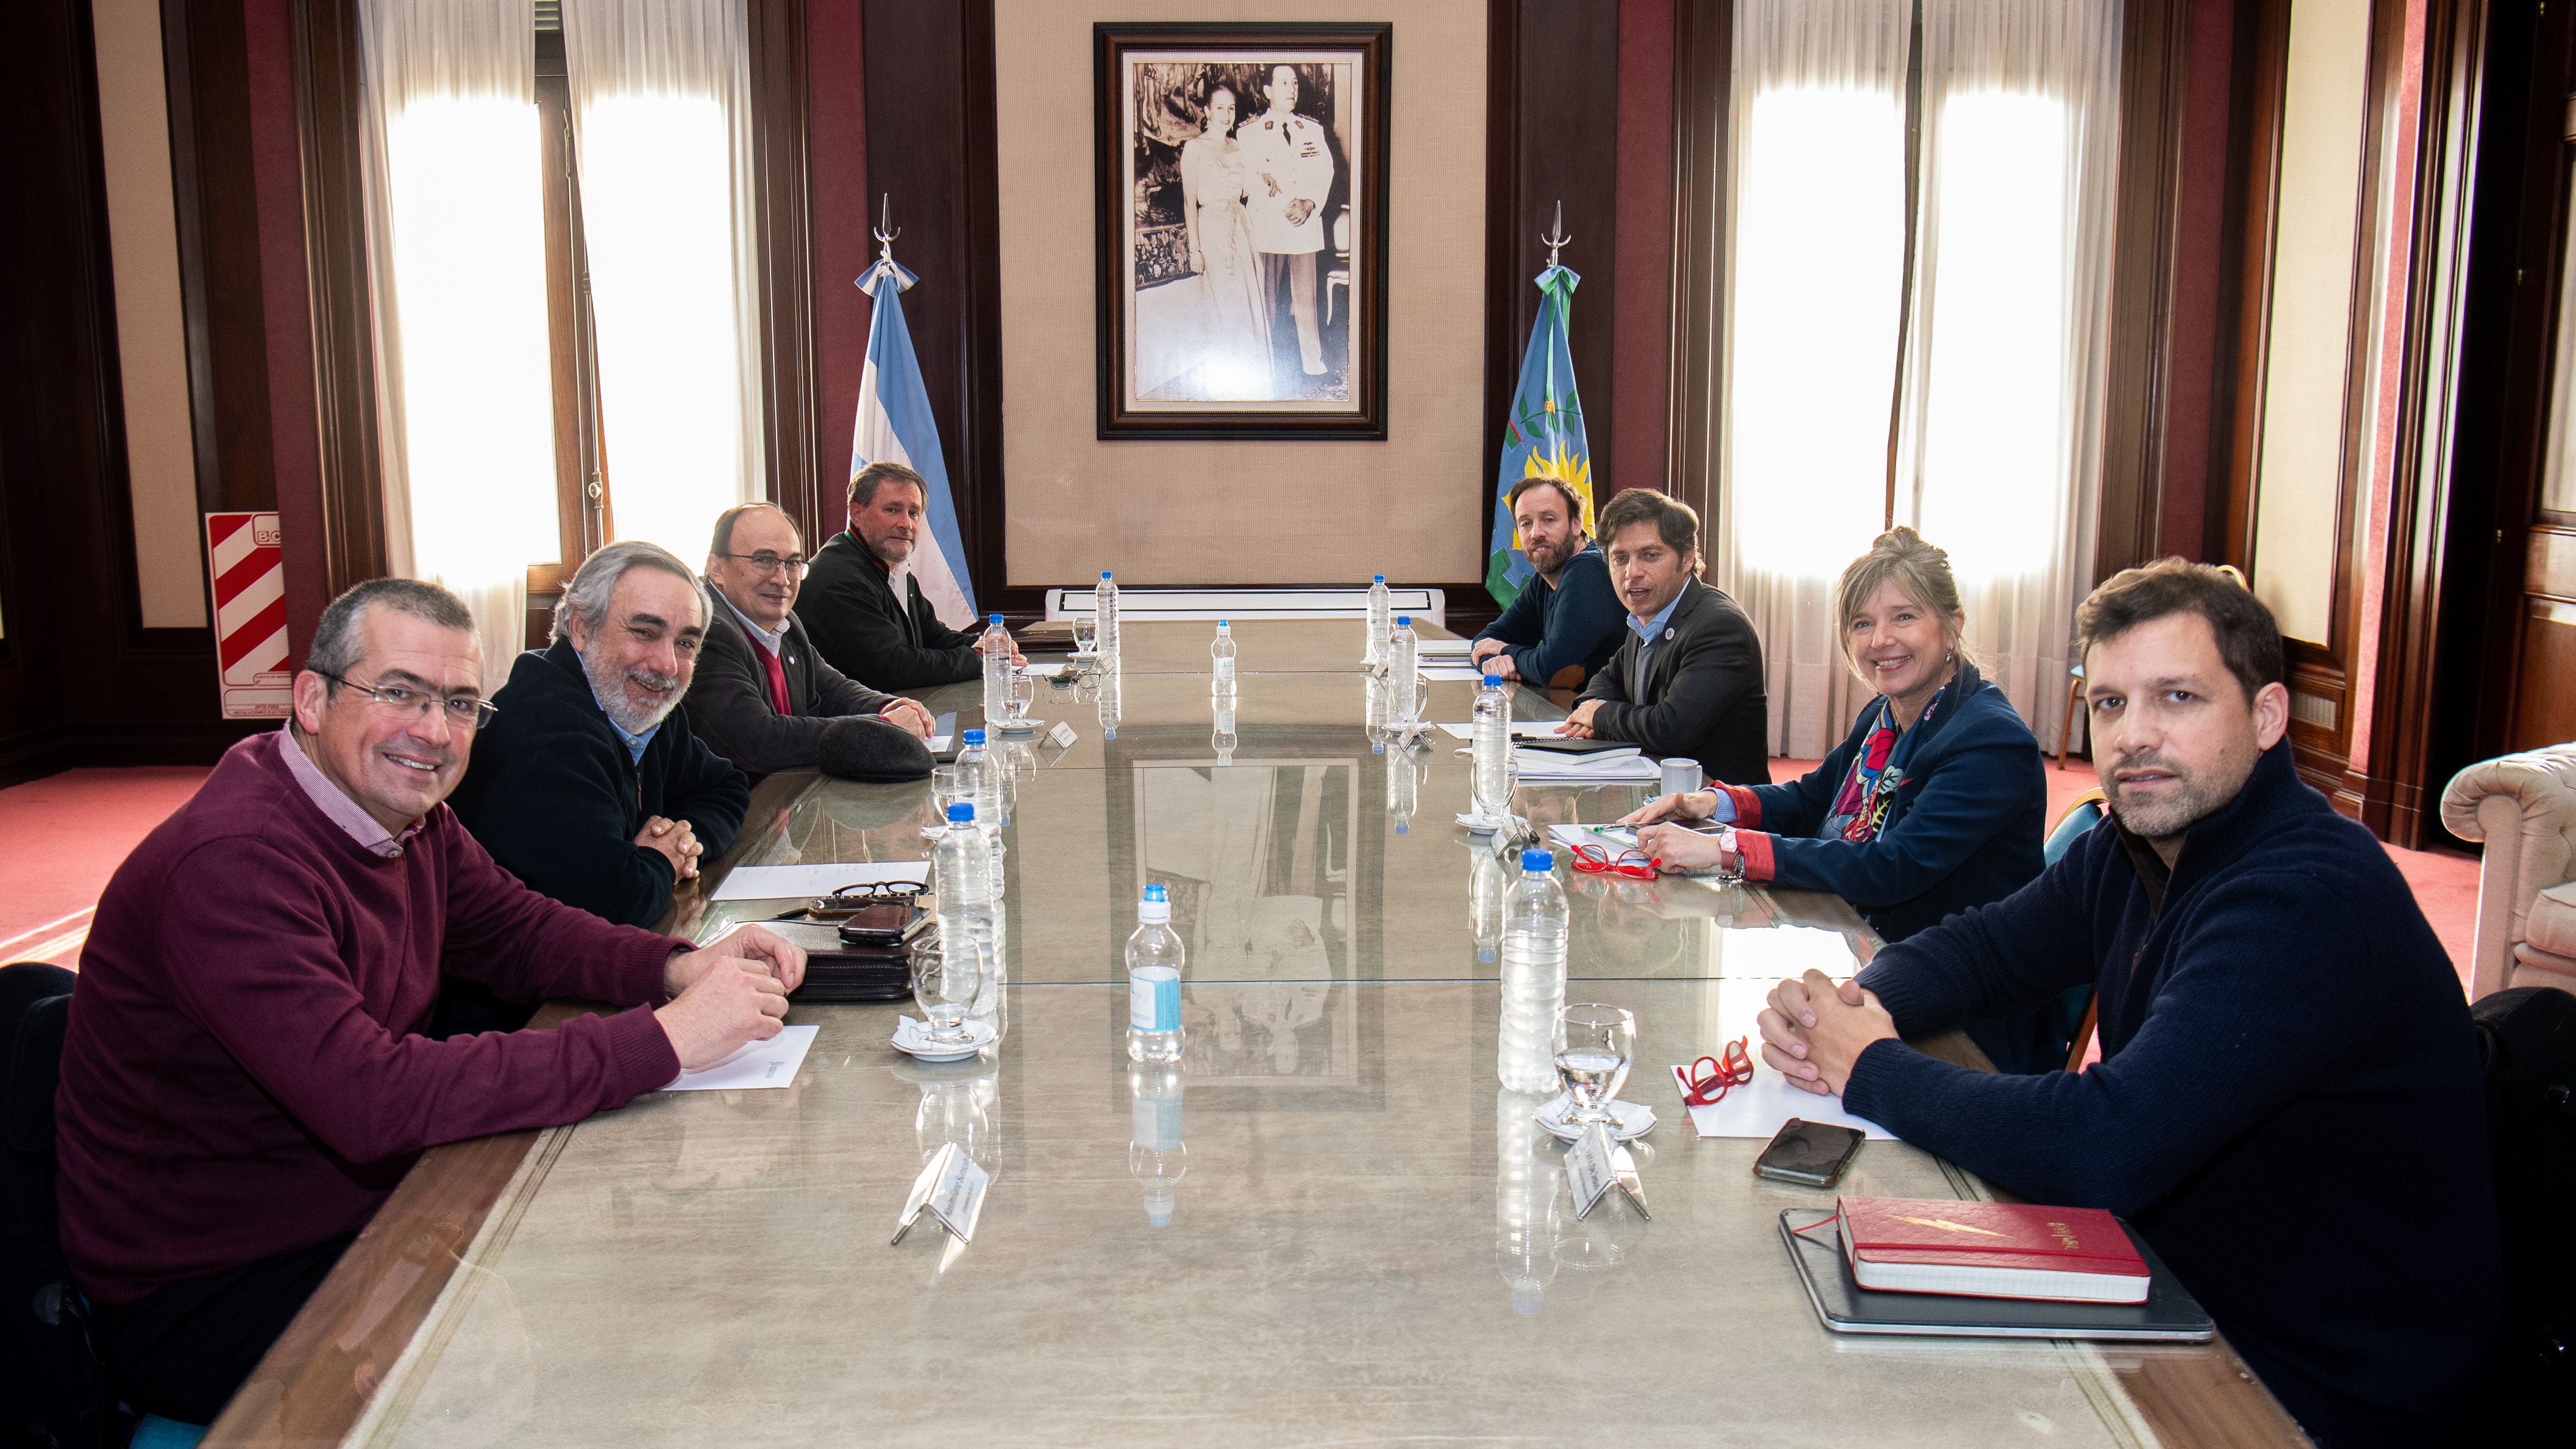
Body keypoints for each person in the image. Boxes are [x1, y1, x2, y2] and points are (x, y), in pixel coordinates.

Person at [1753, 560, 2499, 1448]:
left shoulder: (2303, 896)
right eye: (2108, 704)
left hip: (2308, 1376)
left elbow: (2103, 1143)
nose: (2134, 735)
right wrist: (1850, 1002)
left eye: (2176, 698)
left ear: (2264, 717)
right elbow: (1986, 949)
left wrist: (1865, 1063)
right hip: (2182, 1281)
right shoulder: (2140, 841)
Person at [52, 578, 806, 1428]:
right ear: (311, 698)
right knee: (602, 1349)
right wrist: (663, 1041)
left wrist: (678, 967)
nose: (434, 732)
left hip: (355, 1214)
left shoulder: (401, 817)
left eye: (458, 703)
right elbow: (369, 1098)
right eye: (400, 694)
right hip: (212, 1285)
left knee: (647, 1277)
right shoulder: (234, 864)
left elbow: (520, 931)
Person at [1619, 527, 2054, 1069]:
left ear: (1952, 627)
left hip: (1966, 1015)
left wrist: (1726, 849)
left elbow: (1892, 866)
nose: (1881, 641)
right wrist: (1713, 805)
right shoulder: (1885, 714)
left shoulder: (1989, 740)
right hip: (1876, 954)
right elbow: (1815, 797)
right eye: (1862, 624)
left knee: (1759, 1043)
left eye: (1904, 617)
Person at [449, 540, 749, 937]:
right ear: (580, 628)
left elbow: (728, 786)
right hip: (525, 992)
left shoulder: (641, 704)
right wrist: (657, 864)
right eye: (644, 632)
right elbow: (617, 899)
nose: (667, 664)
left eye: (686, 643)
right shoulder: (544, 730)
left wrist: (681, 842)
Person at [689, 502, 938, 781]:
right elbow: (759, 740)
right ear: (717, 569)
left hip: (791, 794)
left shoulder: (786, 620)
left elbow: (831, 687)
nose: (782, 579)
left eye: (793, 563)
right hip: (739, 812)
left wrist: (885, 705)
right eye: (764, 560)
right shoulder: (705, 632)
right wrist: (882, 727)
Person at [1557, 488, 1768, 787]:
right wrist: (1592, 707)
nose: (1632, 573)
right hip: (1659, 799)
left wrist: (1600, 715)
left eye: (1650, 555)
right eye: (1620, 558)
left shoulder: (1719, 626)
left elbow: (1672, 729)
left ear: (1686, 558)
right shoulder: (1647, 617)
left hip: (1720, 813)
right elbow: (1607, 679)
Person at [802, 461, 1016, 691]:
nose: (906, 524)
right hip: (847, 720)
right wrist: (979, 659)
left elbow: (933, 636)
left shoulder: (897, 570)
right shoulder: (839, 578)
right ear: (857, 513)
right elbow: (894, 668)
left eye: (914, 513)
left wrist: (993, 646)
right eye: (892, 510)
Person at [1470, 473, 1625, 689]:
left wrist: (1505, 651)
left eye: (1548, 520)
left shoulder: (1587, 569)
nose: (1536, 533)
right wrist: (1493, 661)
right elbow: (1487, 640)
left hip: (1613, 717)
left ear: (1576, 524)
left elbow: (1554, 670)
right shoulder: (1547, 577)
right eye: (1526, 523)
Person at [1240, 63, 1336, 380]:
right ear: (1268, 91)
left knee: (1306, 301)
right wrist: (1268, 187)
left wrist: (1309, 203)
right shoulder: (1248, 133)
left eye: (1294, 83)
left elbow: (1325, 173)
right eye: (1284, 83)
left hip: (1303, 223)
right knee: (1265, 299)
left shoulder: (1313, 130)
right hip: (1268, 224)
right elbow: (1246, 176)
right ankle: (1262, 365)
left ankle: (1313, 362)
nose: (1292, 89)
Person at [1179, 83, 1272, 400]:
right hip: (1213, 230)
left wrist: (1264, 178)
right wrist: (1195, 249)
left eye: (1231, 108)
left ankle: (1252, 382)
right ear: (1206, 111)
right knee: (1223, 305)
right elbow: (1189, 204)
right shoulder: (1194, 149)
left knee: (1247, 300)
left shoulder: (1236, 147)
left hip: (1241, 226)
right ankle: (1225, 389)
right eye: (1219, 108)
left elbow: (1244, 189)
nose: (1226, 114)